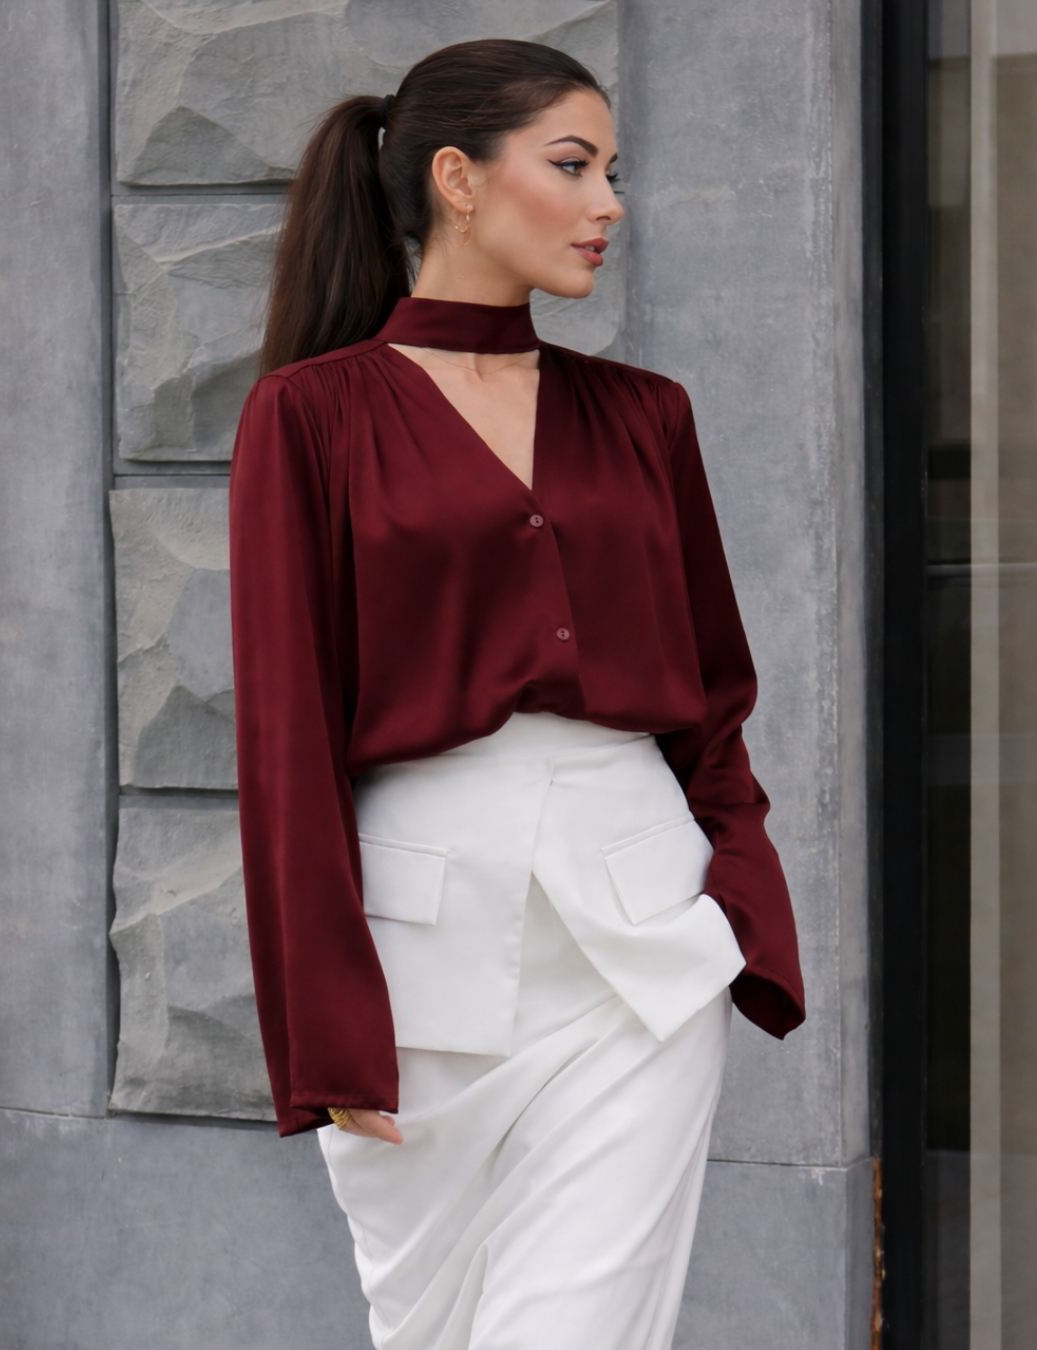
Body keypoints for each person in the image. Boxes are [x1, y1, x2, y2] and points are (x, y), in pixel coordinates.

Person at [229, 38, 804, 1350]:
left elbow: (714, 696)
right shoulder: (310, 418)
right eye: (574, 166)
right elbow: (285, 740)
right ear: (458, 179)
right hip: (418, 967)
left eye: (614, 172)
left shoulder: (647, 416)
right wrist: (323, 1030)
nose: (610, 204)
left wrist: (742, 898)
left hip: (643, 955)